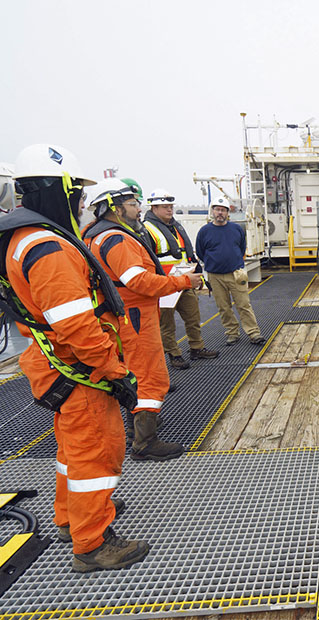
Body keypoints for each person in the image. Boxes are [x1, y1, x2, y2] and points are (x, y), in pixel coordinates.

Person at [2, 144, 148, 571]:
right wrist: (115, 371)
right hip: (82, 371)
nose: (80, 203)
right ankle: (93, 542)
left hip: (56, 367)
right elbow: (78, 325)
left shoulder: (20, 239)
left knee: (71, 453)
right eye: (76, 194)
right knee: (95, 456)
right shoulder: (48, 248)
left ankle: (70, 517)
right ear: (57, 189)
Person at [84, 179, 198, 462]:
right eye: (133, 204)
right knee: (150, 377)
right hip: (134, 316)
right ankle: (144, 441)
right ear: (115, 208)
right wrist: (183, 281)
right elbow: (139, 281)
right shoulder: (117, 239)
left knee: (131, 373)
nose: (138, 209)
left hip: (120, 315)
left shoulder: (95, 235)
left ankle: (139, 428)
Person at [143, 187, 219, 369]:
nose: (169, 210)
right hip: (164, 284)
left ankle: (196, 347)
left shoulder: (175, 227)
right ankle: (174, 354)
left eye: (170, 206)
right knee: (167, 323)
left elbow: (185, 254)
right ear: (154, 209)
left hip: (184, 281)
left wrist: (196, 269)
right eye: (164, 207)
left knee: (193, 316)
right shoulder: (147, 230)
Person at [195, 196, 265, 346]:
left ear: (228, 213)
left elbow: (241, 248)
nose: (220, 213)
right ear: (212, 211)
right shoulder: (204, 231)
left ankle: (253, 333)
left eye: (223, 210)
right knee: (223, 306)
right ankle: (232, 333)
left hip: (236, 273)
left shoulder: (236, 229)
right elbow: (201, 252)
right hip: (215, 276)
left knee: (244, 304)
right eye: (217, 210)